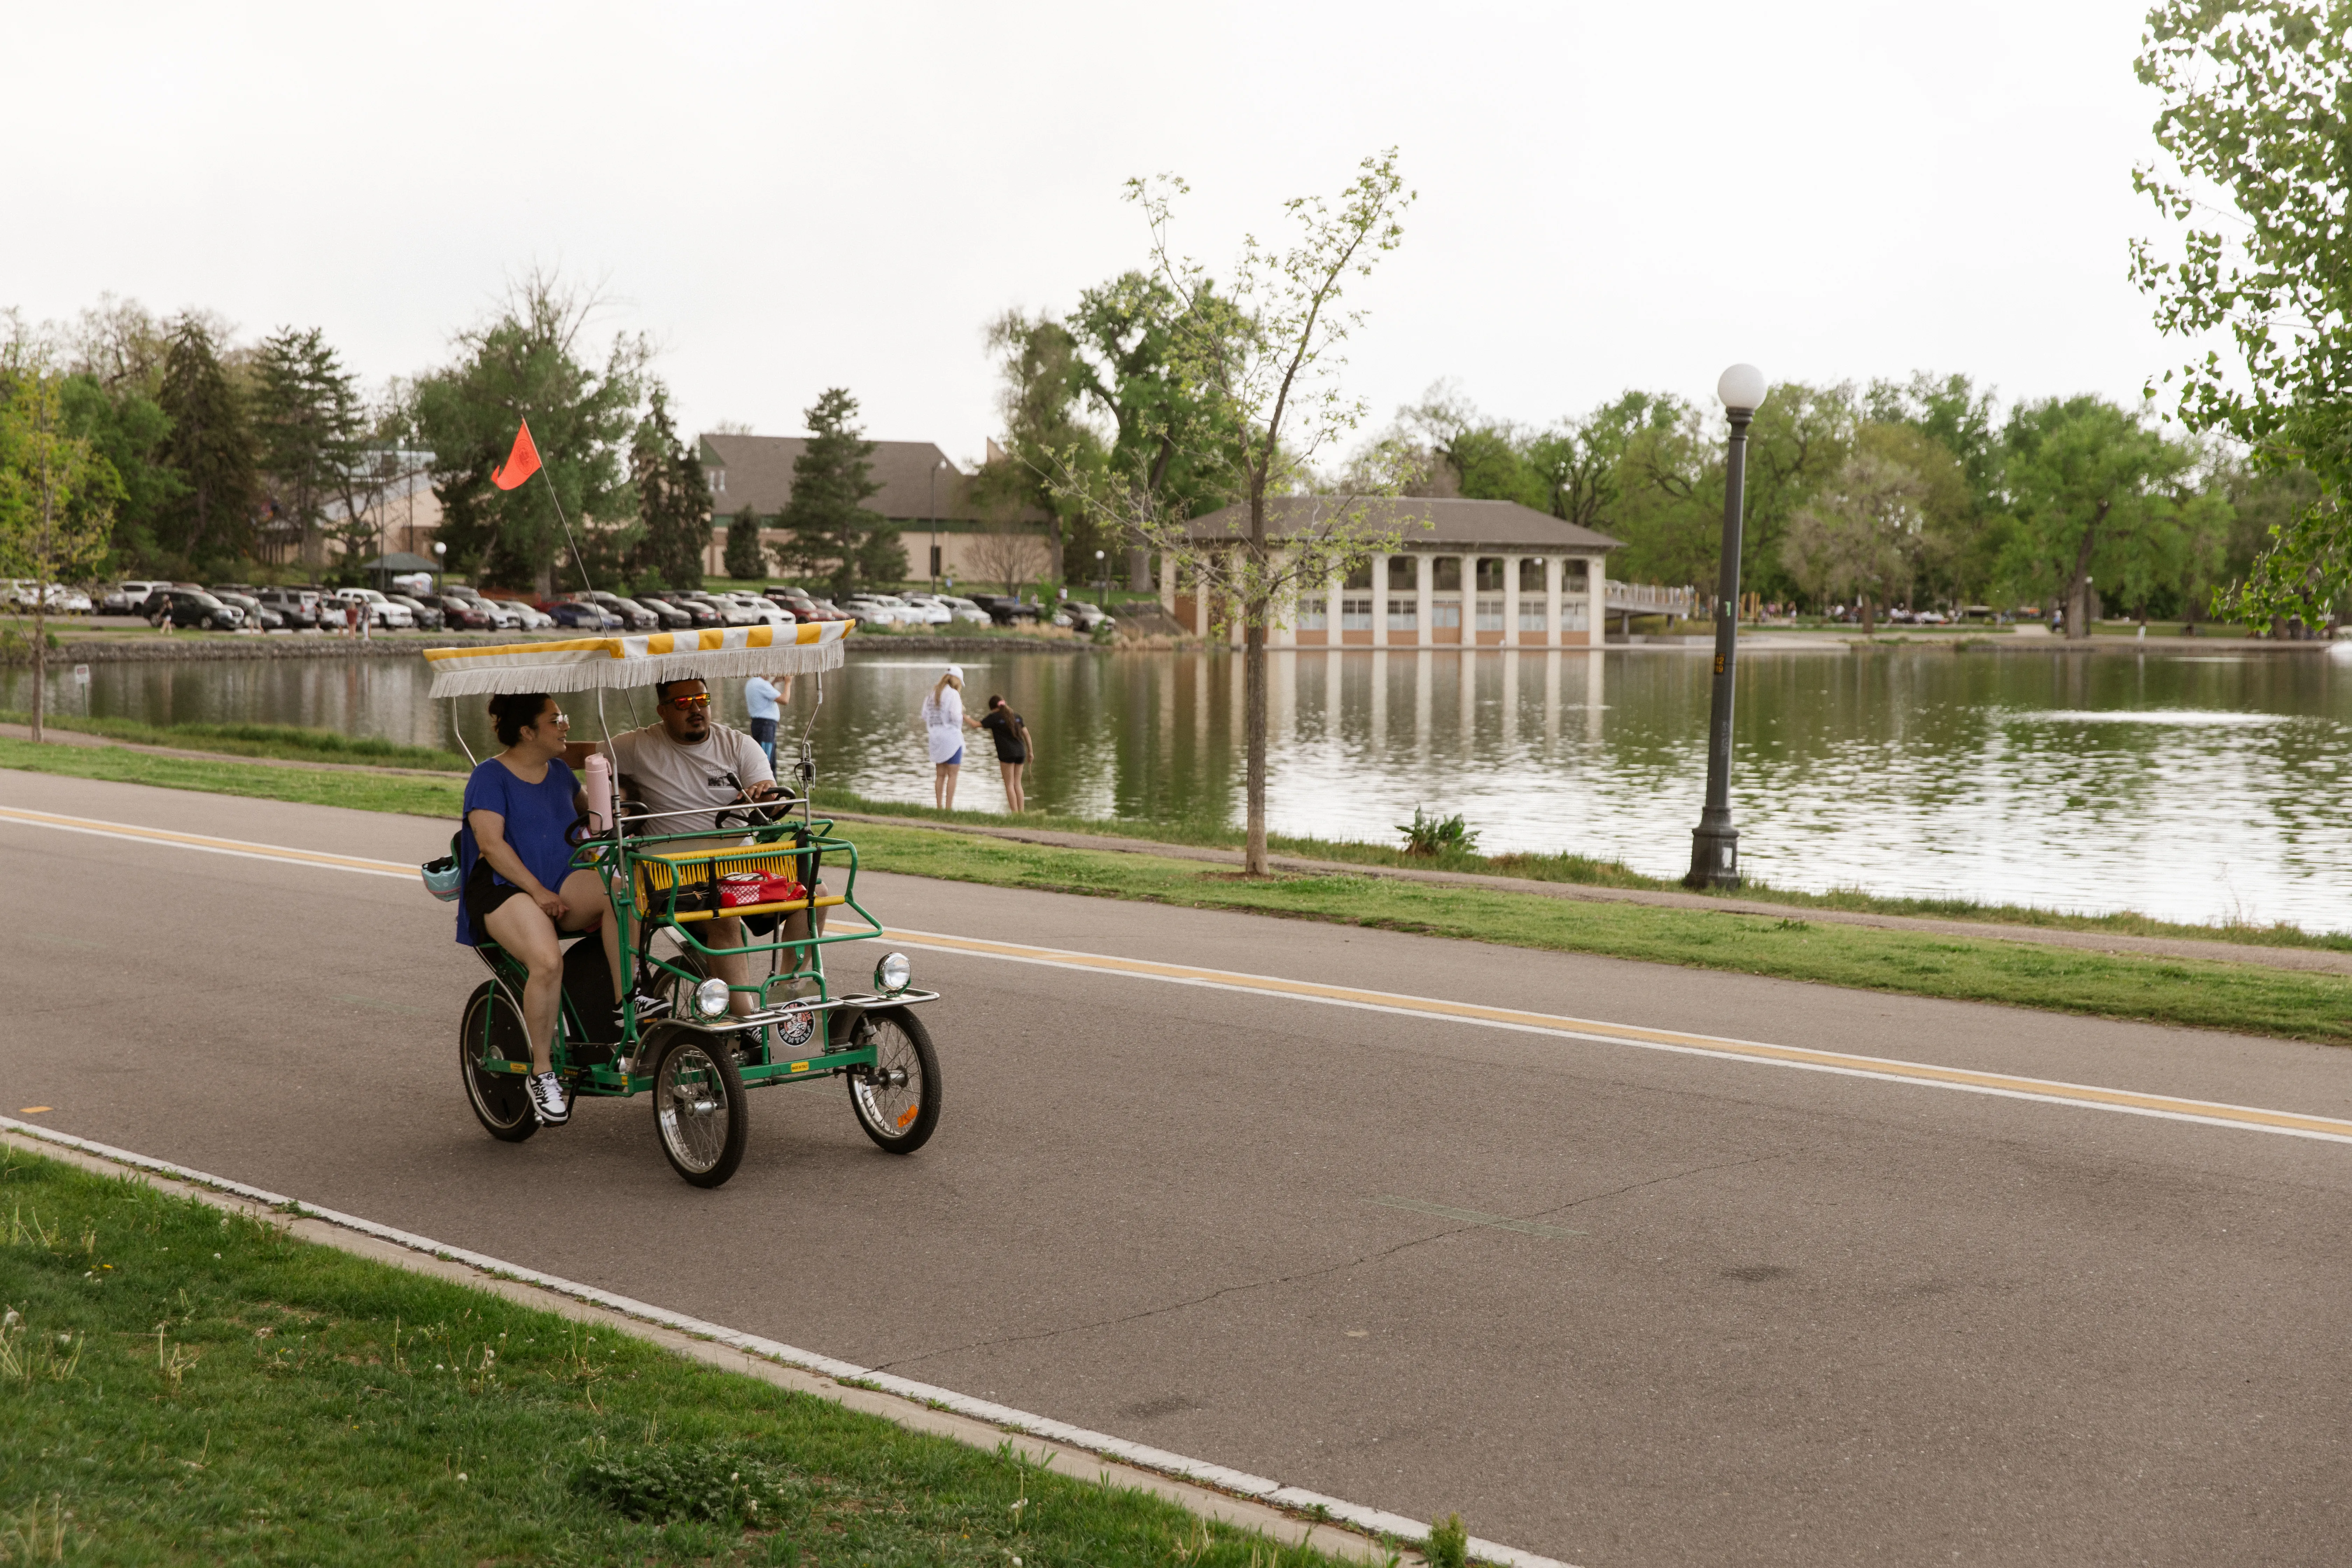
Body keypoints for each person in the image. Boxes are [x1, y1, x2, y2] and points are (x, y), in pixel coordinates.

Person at [567, 676, 821, 1022]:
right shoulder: (637, 745)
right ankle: (746, 1021)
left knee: (815, 895)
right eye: (684, 704)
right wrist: (535, 751)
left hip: (739, 864)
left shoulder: (739, 745)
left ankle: (787, 993)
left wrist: (765, 797)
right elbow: (577, 754)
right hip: (673, 873)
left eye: (702, 699)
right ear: (663, 710)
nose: (697, 709)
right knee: (723, 917)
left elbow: (772, 804)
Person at [459, 692, 625, 1128]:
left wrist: (608, 801)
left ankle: (629, 1005)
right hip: (504, 886)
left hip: (559, 877)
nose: (565, 726)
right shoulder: (489, 777)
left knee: (623, 893)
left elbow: (592, 819)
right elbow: (492, 846)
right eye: (556, 720)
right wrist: (536, 892)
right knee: (547, 961)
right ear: (527, 731)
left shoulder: (557, 771)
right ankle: (542, 1071)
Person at [977, 694, 1032, 813]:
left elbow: (976, 725)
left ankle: (1014, 813)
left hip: (1007, 754)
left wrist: (964, 717)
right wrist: (1031, 753)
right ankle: (1021, 814)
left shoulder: (994, 718)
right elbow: (1027, 735)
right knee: (1018, 784)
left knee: (1009, 785)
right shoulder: (1016, 717)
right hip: (1021, 753)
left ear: (992, 708)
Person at [920, 665, 965, 810]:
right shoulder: (953, 694)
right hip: (952, 738)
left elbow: (924, 716)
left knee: (940, 775)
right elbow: (955, 716)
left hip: (936, 739)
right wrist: (962, 716)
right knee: (953, 775)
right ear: (957, 680)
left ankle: (939, 807)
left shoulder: (932, 694)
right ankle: (948, 808)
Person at [743, 672, 788, 768]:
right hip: (766, 726)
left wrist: (775, 681)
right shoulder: (761, 684)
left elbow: (767, 693)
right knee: (766, 763)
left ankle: (772, 783)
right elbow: (785, 700)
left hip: (761, 724)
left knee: (770, 762)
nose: (771, 673)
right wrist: (789, 682)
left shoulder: (753, 682)